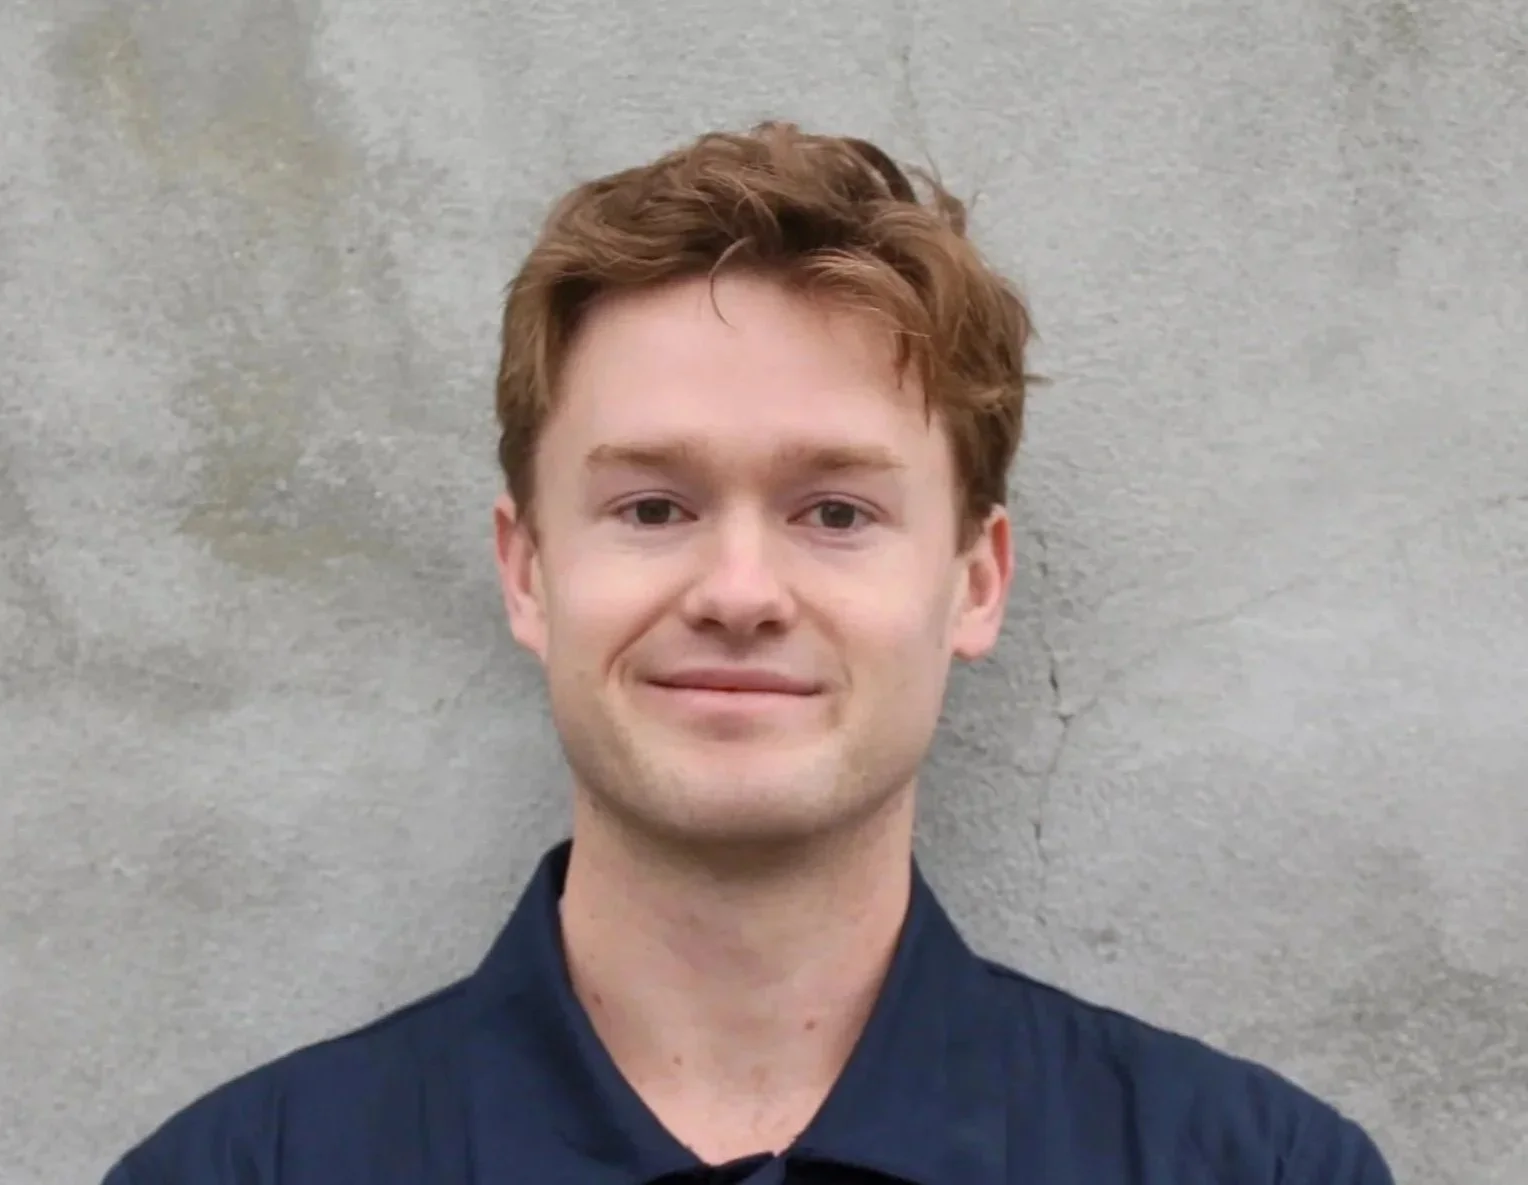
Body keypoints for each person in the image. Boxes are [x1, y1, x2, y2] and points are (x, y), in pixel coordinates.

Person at [102, 121, 1394, 1184]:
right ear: (528, 570)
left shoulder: (1253, 1170)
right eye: (652, 507)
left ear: (975, 582)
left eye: (836, 512)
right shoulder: (237, 1174)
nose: (737, 592)